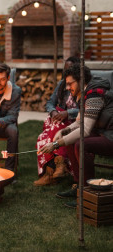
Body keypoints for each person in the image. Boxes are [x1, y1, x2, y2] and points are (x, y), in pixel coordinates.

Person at [40, 63, 113, 208]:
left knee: (81, 144)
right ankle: (79, 187)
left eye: (70, 84)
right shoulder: (84, 94)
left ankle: (87, 193)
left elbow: (85, 130)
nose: (67, 88)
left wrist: (55, 144)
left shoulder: (94, 94)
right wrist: (63, 132)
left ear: (81, 79)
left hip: (110, 135)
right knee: (71, 140)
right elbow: (79, 122)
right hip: (102, 132)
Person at [34, 57, 80, 186]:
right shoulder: (61, 84)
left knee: (45, 136)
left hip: (73, 122)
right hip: (59, 119)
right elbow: (50, 103)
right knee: (43, 137)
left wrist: (67, 113)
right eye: (65, 69)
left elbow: (84, 111)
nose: (66, 72)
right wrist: (53, 112)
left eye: (69, 69)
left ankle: (53, 170)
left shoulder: (83, 86)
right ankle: (55, 168)